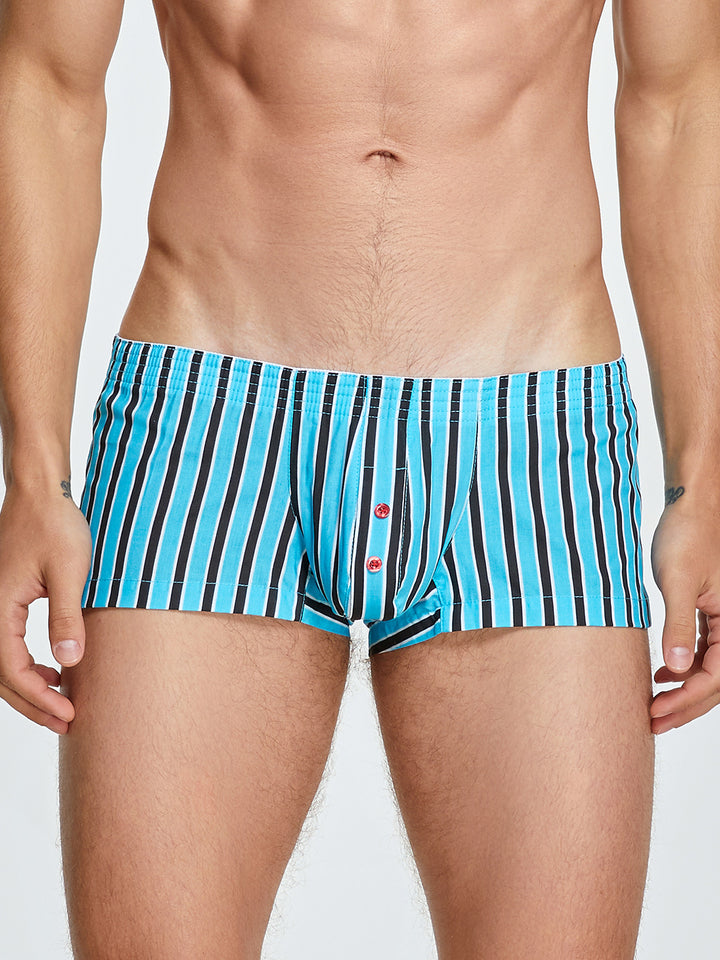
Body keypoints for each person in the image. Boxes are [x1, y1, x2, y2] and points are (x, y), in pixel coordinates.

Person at [0, 0, 718, 956]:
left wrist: (702, 476)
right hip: (209, 415)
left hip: (532, 427)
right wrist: (34, 474)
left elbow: (679, 99)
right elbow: (46, 84)